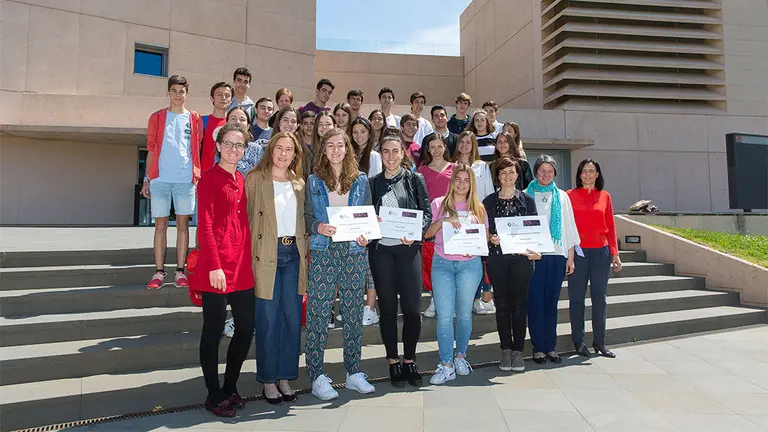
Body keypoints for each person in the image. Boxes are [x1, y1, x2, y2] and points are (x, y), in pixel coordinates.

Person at [304, 128, 376, 400]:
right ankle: (316, 375)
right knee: (319, 314)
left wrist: (364, 236)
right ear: (323, 150)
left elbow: (367, 216)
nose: (335, 150)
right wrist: (318, 226)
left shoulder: (360, 180)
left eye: (340, 145)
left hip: (353, 253)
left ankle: (353, 371)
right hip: (324, 252)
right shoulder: (313, 181)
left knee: (353, 313)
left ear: (348, 149)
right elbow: (307, 216)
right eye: (330, 145)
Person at [193, 123, 255, 418]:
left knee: (245, 327)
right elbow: (204, 225)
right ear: (218, 146)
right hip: (215, 267)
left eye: (239, 145)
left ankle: (230, 386)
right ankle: (213, 392)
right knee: (214, 331)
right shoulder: (209, 180)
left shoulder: (242, 179)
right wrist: (215, 266)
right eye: (229, 144)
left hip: (242, 268)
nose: (234, 150)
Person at [246, 131, 307, 405]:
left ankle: (285, 377)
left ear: (296, 154)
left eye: (289, 149)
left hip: (293, 255)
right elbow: (245, 221)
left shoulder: (299, 183)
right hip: (266, 255)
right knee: (268, 320)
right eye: (279, 148)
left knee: (292, 319)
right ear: (271, 150)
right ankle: (269, 380)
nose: (284, 153)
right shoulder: (255, 179)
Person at [369, 134, 431, 387]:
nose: (391, 156)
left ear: (403, 153)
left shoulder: (415, 179)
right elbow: (366, 215)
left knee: (413, 310)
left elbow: (426, 212)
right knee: (387, 310)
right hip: (382, 251)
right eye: (386, 151)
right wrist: (374, 223)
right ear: (381, 154)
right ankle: (393, 361)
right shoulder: (372, 183)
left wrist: (415, 232)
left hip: (408, 251)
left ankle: (409, 360)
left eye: (396, 151)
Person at [424, 164, 488, 385]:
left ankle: (461, 356)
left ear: (472, 183)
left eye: (466, 180)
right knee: (444, 316)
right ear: (452, 182)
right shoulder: (438, 204)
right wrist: (442, 221)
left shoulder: (478, 208)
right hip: (443, 264)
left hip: (470, 266)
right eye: (457, 179)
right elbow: (427, 234)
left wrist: (483, 243)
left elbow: (485, 238)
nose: (461, 184)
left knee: (463, 315)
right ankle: (446, 365)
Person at [143, 75, 202, 290]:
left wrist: (196, 176)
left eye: (182, 91)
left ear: (187, 93)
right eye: (174, 90)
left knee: (183, 225)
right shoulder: (157, 117)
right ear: (168, 92)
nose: (178, 95)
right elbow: (150, 148)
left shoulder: (194, 118)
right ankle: (159, 272)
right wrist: (147, 178)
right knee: (160, 226)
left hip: (185, 180)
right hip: (160, 179)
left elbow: (196, 147)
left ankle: (180, 271)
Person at [483, 157, 540, 373]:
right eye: (502, 173)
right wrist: (491, 238)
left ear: (517, 174)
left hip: (521, 260)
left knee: (519, 305)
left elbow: (534, 230)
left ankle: (518, 351)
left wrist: (536, 249)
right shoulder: (488, 202)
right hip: (497, 259)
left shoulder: (527, 200)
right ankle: (505, 349)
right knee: (501, 305)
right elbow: (485, 231)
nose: (507, 176)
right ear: (497, 177)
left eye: (511, 172)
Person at [526, 155, 580, 364]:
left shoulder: (562, 197)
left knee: (551, 302)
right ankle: (538, 347)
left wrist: (571, 257)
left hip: (557, 256)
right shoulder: (525, 195)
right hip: (533, 257)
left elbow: (569, 227)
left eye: (550, 171)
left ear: (555, 173)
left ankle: (551, 346)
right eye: (542, 170)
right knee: (535, 302)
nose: (545, 174)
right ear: (536, 172)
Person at [568, 159, 622, 359]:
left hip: (601, 253)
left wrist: (615, 253)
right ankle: (578, 341)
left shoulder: (605, 197)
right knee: (576, 299)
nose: (588, 175)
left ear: (598, 174)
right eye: (584, 171)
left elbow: (611, 226)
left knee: (600, 299)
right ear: (579, 174)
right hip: (579, 253)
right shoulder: (569, 196)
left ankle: (600, 342)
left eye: (591, 171)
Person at [453, 131, 495, 314]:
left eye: (468, 142)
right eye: (461, 142)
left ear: (474, 145)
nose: (464, 145)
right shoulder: (452, 166)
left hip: (476, 216)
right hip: (456, 215)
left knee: (476, 258)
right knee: (457, 257)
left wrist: (483, 216)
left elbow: (488, 192)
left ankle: (476, 299)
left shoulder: (482, 166)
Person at [417, 133, 455, 318]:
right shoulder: (422, 171)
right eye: (432, 147)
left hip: (451, 221)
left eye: (440, 146)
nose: (436, 150)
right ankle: (435, 299)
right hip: (431, 222)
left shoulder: (455, 169)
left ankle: (449, 301)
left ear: (445, 147)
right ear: (428, 149)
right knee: (431, 262)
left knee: (450, 261)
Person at [351, 117, 383, 326]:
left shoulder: (375, 157)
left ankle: (370, 308)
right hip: (350, 216)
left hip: (369, 213)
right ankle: (353, 307)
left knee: (371, 265)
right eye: (355, 132)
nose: (359, 135)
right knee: (353, 264)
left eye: (363, 131)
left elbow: (377, 186)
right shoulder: (347, 154)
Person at [201, 82, 233, 173]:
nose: (223, 98)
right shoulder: (202, 121)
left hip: (227, 175)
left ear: (231, 99)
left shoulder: (233, 124)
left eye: (227, 95)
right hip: (205, 174)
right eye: (219, 95)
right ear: (212, 98)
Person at [299, 110, 316, 175]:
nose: (309, 126)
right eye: (305, 123)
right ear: (301, 126)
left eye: (312, 123)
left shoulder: (321, 146)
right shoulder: (298, 145)